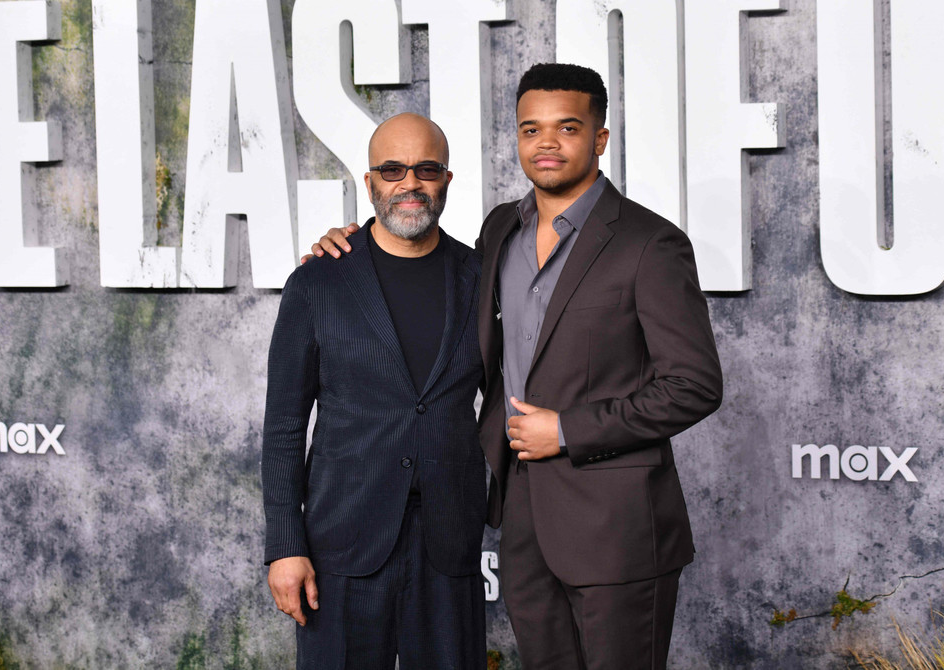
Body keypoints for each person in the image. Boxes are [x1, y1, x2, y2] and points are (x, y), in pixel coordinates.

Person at [313, 63, 722, 670]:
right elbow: (424, 261)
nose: (547, 143)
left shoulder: (649, 243)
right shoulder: (502, 229)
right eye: (532, 129)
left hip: (618, 528)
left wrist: (568, 430)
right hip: (523, 521)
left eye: (567, 128)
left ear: (600, 139)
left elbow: (695, 385)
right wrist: (353, 244)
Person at [262, 113, 487, 670]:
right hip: (341, 542)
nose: (410, 183)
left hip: (449, 544)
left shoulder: (481, 278)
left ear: (447, 180)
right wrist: (285, 545)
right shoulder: (318, 281)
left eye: (426, 169)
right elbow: (284, 426)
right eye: (392, 170)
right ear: (369, 184)